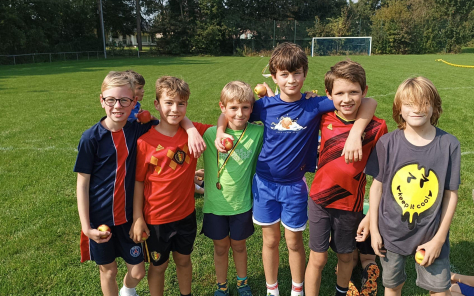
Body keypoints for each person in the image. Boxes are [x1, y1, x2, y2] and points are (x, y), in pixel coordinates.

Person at [216, 43, 377, 296]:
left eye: (297, 73)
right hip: (264, 185)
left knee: (293, 242)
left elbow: (369, 101)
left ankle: (297, 289)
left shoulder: (315, 105)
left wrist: (357, 131)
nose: (291, 80)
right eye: (284, 74)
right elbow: (232, 109)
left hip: (294, 186)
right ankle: (272, 289)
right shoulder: (263, 106)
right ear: (274, 76)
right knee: (269, 241)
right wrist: (221, 130)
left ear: (305, 73)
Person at [74, 71, 204, 296]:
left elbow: (170, 119)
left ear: (134, 101)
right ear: (102, 100)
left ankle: (127, 290)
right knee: (108, 270)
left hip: (128, 217)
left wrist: (191, 129)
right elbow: (82, 184)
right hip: (100, 218)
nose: (117, 106)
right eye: (111, 100)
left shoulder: (139, 129)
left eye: (124, 100)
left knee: (137, 272)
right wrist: (86, 227)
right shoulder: (90, 139)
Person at [366, 76, 461, 296]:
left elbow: (450, 194)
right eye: (409, 104)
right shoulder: (387, 143)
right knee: (392, 285)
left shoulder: (449, 145)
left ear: (435, 107)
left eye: (423, 103)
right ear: (399, 108)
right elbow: (376, 188)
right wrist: (374, 230)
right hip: (391, 232)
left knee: (439, 289)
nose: (416, 109)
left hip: (431, 232)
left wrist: (438, 239)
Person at [305, 60, 387, 296]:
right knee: (318, 259)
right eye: (339, 93)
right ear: (329, 94)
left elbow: (382, 176)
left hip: (350, 205)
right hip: (319, 201)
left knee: (345, 254)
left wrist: (356, 131)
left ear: (364, 91)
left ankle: (342, 291)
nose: (347, 99)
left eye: (354, 92)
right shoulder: (323, 118)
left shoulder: (377, 128)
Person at [131, 76, 211, 296]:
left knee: (184, 261)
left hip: (186, 215)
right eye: (169, 103)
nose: (175, 109)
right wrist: (138, 218)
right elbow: (138, 182)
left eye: (181, 104)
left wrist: (192, 129)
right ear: (157, 104)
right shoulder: (144, 142)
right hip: (156, 219)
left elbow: (228, 123)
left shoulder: (192, 133)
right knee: (159, 266)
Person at [202, 81, 264, 296]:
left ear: (252, 108)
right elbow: (182, 124)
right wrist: (220, 130)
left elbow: (278, 113)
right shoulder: (210, 135)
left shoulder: (257, 133)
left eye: (245, 107)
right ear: (222, 107)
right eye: (233, 108)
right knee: (220, 248)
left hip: (241, 204)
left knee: (239, 246)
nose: (240, 113)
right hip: (215, 205)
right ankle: (221, 285)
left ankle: (242, 283)